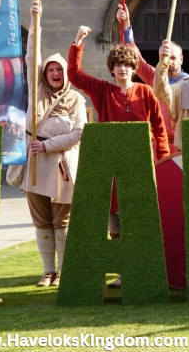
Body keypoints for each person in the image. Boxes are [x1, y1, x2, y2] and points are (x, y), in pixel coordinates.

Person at [67, 23, 170, 288]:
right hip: (112, 167)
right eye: (118, 65)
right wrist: (78, 41)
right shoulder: (102, 91)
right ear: (112, 68)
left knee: (142, 218)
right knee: (116, 219)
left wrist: (162, 161)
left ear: (134, 69)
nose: (123, 69)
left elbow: (159, 130)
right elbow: (75, 75)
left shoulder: (146, 93)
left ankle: (145, 268)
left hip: (143, 166)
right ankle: (124, 270)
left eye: (127, 65)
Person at [23, 1, 88, 287]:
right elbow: (31, 56)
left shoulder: (75, 99)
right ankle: (48, 270)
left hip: (61, 165)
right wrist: (36, 20)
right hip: (35, 165)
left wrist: (47, 146)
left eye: (58, 70)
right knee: (41, 221)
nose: (54, 74)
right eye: (50, 70)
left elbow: (79, 132)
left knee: (62, 221)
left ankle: (63, 271)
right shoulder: (36, 92)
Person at [115, 5, 189, 144]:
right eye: (164, 57)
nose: (168, 61)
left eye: (173, 57)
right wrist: (126, 25)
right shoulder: (155, 77)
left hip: (184, 141)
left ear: (181, 59)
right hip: (160, 142)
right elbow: (136, 58)